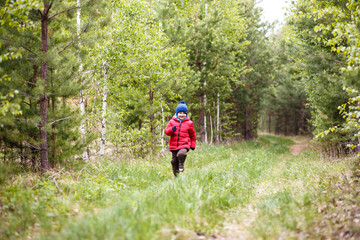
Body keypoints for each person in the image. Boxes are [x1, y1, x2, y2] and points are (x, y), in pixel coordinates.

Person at [164, 101, 196, 177]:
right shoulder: (172, 122)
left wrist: (192, 144)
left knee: (182, 154)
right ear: (177, 113)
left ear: (186, 114)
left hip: (184, 144)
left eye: (184, 113)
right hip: (174, 146)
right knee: (174, 162)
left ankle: (181, 163)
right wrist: (172, 129)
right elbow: (166, 132)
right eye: (180, 113)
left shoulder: (189, 123)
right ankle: (176, 176)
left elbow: (193, 135)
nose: (182, 115)